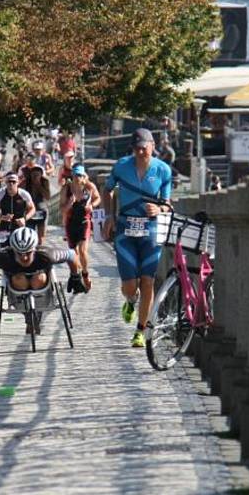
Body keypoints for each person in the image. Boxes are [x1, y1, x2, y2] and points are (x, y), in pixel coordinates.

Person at [102, 128, 172, 349]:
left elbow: (168, 203)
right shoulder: (121, 166)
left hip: (151, 231)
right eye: (137, 148)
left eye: (145, 147)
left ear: (153, 146)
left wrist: (159, 208)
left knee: (148, 281)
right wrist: (109, 216)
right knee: (130, 285)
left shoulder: (163, 170)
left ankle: (140, 331)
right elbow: (107, 190)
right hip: (125, 230)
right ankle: (131, 301)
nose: (141, 152)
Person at [0, 227, 86, 333]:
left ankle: (37, 313)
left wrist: (75, 276)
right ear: (13, 250)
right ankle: (28, 316)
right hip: (17, 289)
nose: (24, 257)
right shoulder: (4, 257)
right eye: (19, 253)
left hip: (41, 286)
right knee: (19, 278)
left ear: (34, 249)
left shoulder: (47, 254)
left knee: (38, 278)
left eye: (28, 253)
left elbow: (72, 255)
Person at [60, 165, 100, 290]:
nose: (78, 178)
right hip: (70, 223)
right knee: (74, 254)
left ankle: (85, 274)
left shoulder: (89, 187)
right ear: (72, 176)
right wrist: (69, 204)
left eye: (80, 176)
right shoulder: (66, 189)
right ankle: (76, 277)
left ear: (84, 177)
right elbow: (62, 209)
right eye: (76, 175)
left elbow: (98, 198)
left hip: (84, 221)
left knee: (82, 251)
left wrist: (92, 206)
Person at [0, 172, 35, 247]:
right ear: (5, 182)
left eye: (13, 182)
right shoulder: (0, 195)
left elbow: (32, 209)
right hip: (4, 227)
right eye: (9, 181)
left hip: (20, 226)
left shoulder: (24, 194)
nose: (11, 184)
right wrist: (2, 217)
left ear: (18, 182)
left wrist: (24, 219)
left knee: (20, 249)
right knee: (4, 250)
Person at [25, 165, 50, 243]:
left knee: (41, 236)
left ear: (41, 175)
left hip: (41, 211)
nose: (35, 177)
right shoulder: (26, 182)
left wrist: (39, 185)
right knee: (29, 235)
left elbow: (47, 196)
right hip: (30, 212)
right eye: (33, 175)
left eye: (37, 175)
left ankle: (39, 251)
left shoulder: (45, 182)